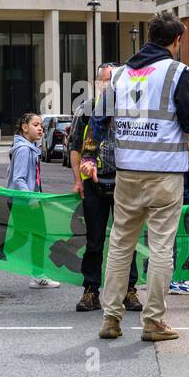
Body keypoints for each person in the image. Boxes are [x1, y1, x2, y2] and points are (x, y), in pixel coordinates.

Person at [92, 11, 189, 342]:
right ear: (176, 41)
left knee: (120, 243)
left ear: (148, 36)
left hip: (127, 172)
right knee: (161, 247)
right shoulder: (177, 71)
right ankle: (153, 322)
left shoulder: (121, 74)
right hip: (165, 174)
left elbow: (101, 116)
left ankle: (111, 318)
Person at [71, 64, 142, 313]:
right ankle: (91, 290)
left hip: (124, 182)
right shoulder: (87, 109)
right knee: (94, 240)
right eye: (105, 81)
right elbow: (76, 146)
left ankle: (129, 290)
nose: (109, 84)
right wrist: (78, 180)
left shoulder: (131, 107)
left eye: (113, 80)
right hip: (94, 184)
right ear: (97, 83)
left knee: (127, 240)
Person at [0, 112, 61, 290]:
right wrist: (30, 198)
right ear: (24, 127)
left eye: (41, 126)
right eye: (36, 125)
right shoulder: (23, 150)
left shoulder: (26, 147)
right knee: (37, 236)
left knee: (25, 238)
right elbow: (18, 178)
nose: (40, 129)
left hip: (24, 200)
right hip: (24, 201)